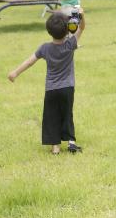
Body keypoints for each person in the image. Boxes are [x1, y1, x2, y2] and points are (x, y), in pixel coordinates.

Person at [8, 12, 85, 155]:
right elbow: (81, 28)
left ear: (49, 30)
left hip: (51, 89)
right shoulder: (70, 44)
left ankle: (55, 147)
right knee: (67, 114)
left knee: (52, 116)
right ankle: (71, 142)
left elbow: (30, 62)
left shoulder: (45, 48)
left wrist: (15, 72)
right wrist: (82, 16)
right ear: (68, 28)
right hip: (67, 88)